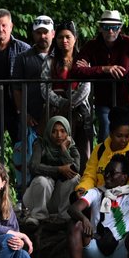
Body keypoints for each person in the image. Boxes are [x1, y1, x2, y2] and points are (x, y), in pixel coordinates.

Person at [73, 10, 129, 141]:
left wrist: (91, 69)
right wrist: (104, 69)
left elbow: (122, 71)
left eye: (114, 27)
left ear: (120, 28)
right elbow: (77, 71)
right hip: (103, 100)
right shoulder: (92, 45)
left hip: (126, 100)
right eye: (107, 27)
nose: (111, 31)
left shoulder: (127, 43)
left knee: (127, 138)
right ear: (101, 28)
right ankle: (103, 162)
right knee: (105, 134)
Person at [0, 9, 30, 167]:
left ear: (11, 26)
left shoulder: (23, 49)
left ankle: (25, 189)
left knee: (22, 149)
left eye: (4, 25)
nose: (0, 29)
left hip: (16, 109)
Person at [74, 107, 129, 200]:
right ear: (111, 134)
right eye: (119, 136)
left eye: (127, 136)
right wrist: (83, 188)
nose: (123, 140)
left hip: (125, 201)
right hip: (100, 197)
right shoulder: (99, 149)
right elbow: (90, 175)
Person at [43, 20, 92, 161]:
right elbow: (44, 87)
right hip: (55, 110)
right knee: (55, 150)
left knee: (82, 150)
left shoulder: (83, 60)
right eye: (60, 37)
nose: (64, 40)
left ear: (75, 38)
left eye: (68, 37)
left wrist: (71, 103)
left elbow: (85, 86)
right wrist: (61, 103)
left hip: (79, 109)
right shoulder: (49, 61)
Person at [22, 116, 80, 227]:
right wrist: (59, 169)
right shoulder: (40, 143)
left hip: (56, 200)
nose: (58, 135)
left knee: (74, 178)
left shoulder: (71, 148)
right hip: (36, 198)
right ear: (48, 132)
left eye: (62, 131)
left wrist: (64, 150)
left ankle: (64, 216)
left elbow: (75, 170)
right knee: (43, 181)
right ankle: (37, 216)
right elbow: (34, 167)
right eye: (54, 131)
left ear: (67, 132)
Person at [12, 16, 54, 139]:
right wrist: (23, 113)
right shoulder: (22, 58)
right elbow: (16, 88)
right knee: (30, 156)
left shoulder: (62, 57)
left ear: (53, 33)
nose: (42, 36)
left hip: (57, 118)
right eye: (38, 33)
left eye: (45, 32)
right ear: (33, 34)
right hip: (32, 119)